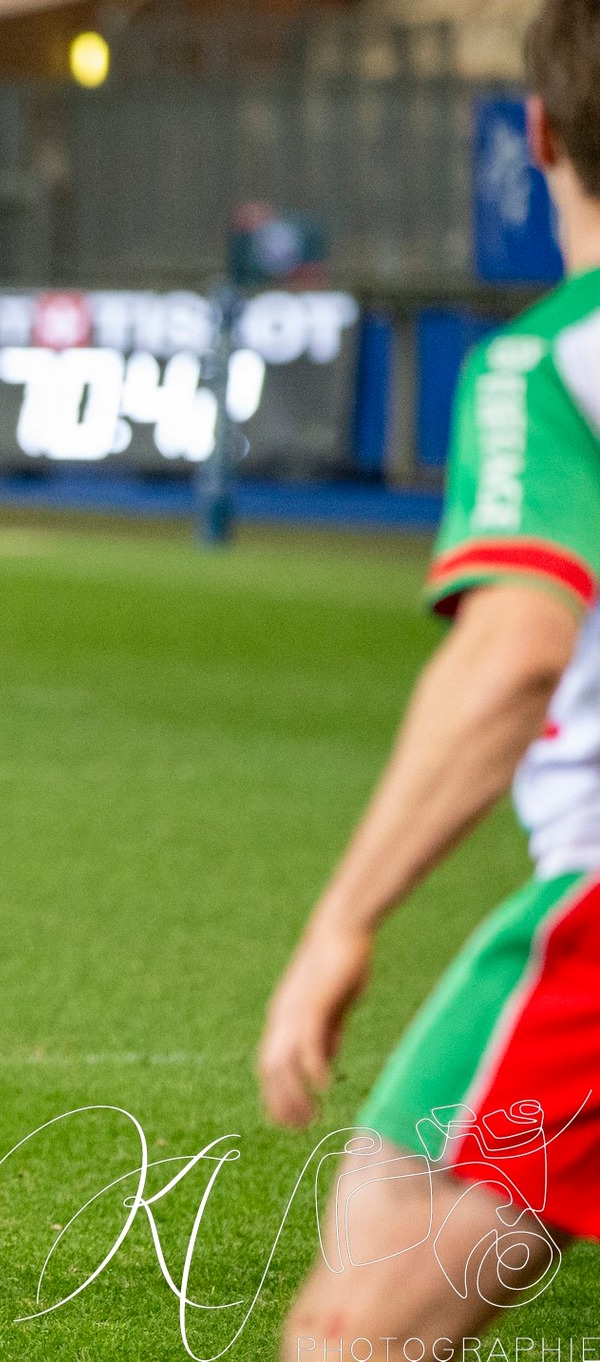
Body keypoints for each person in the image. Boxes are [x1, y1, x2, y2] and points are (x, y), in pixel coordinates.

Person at [257, 2, 600, 1352]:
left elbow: (514, 650)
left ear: (540, 131)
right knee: (394, 1166)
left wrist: (344, 915)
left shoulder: (552, 363)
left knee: (352, 1329)